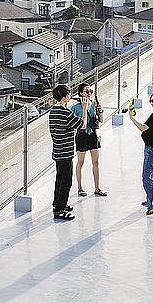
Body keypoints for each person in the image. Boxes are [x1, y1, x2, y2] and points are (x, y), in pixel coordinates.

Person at [49, 84, 88, 221]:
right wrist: (84, 109)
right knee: (66, 181)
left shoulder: (53, 111)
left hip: (57, 150)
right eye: (68, 94)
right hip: (66, 151)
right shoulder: (66, 113)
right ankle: (60, 210)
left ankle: (58, 204)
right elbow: (82, 125)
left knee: (59, 179)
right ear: (64, 96)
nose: (70, 96)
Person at [128, 91, 153, 215]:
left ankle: (151, 205)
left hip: (152, 149)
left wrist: (131, 118)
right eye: (150, 101)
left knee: (146, 177)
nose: (151, 103)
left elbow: (142, 128)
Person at [71, 82, 107, 197]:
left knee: (96, 162)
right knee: (80, 162)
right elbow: (72, 123)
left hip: (92, 134)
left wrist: (100, 111)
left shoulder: (94, 104)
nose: (89, 93)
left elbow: (101, 120)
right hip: (81, 135)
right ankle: (80, 187)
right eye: (87, 91)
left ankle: (97, 188)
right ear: (81, 93)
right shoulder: (75, 107)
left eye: (90, 91)